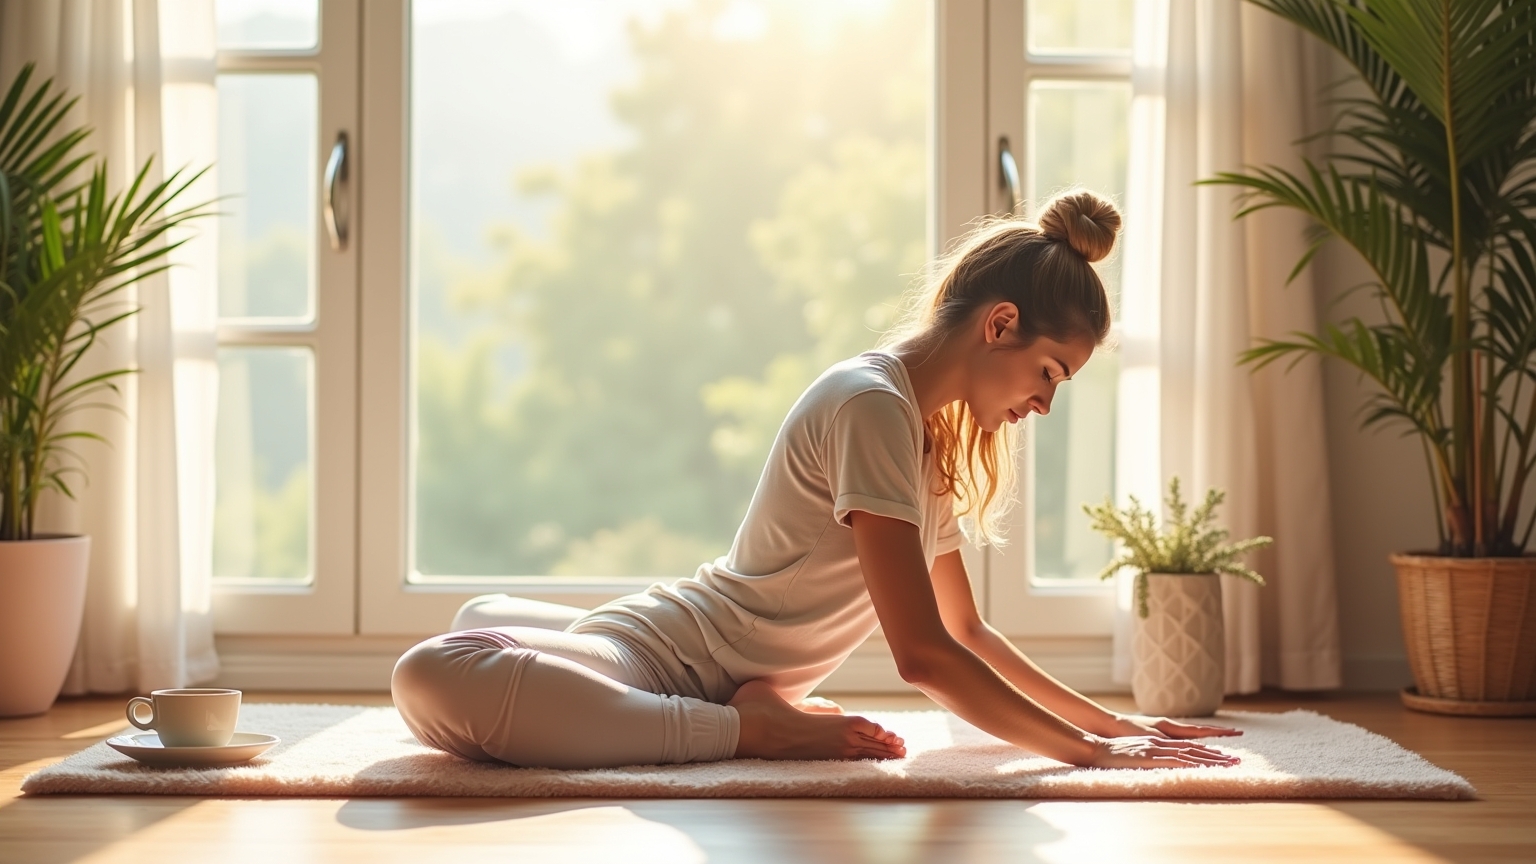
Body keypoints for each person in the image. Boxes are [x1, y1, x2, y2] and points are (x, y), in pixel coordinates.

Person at [391, 189, 1243, 770]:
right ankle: (742, 727)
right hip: (673, 661)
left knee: (477, 628)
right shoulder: (871, 407)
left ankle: (737, 701)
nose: (1044, 405)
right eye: (1051, 374)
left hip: (691, 644)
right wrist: (1088, 757)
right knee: (431, 671)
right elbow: (923, 657)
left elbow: (967, 633)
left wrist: (1113, 726)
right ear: (1002, 324)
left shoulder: (927, 434)